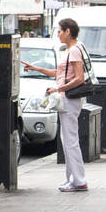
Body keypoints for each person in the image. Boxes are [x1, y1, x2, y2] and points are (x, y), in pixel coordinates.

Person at [24, 17, 90, 193]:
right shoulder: (73, 49)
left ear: (68, 31)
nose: (58, 35)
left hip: (69, 99)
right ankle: (72, 179)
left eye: (60, 31)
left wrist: (58, 88)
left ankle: (79, 180)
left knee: (70, 141)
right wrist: (36, 68)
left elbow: (79, 78)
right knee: (67, 140)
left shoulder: (74, 50)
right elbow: (59, 72)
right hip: (67, 98)